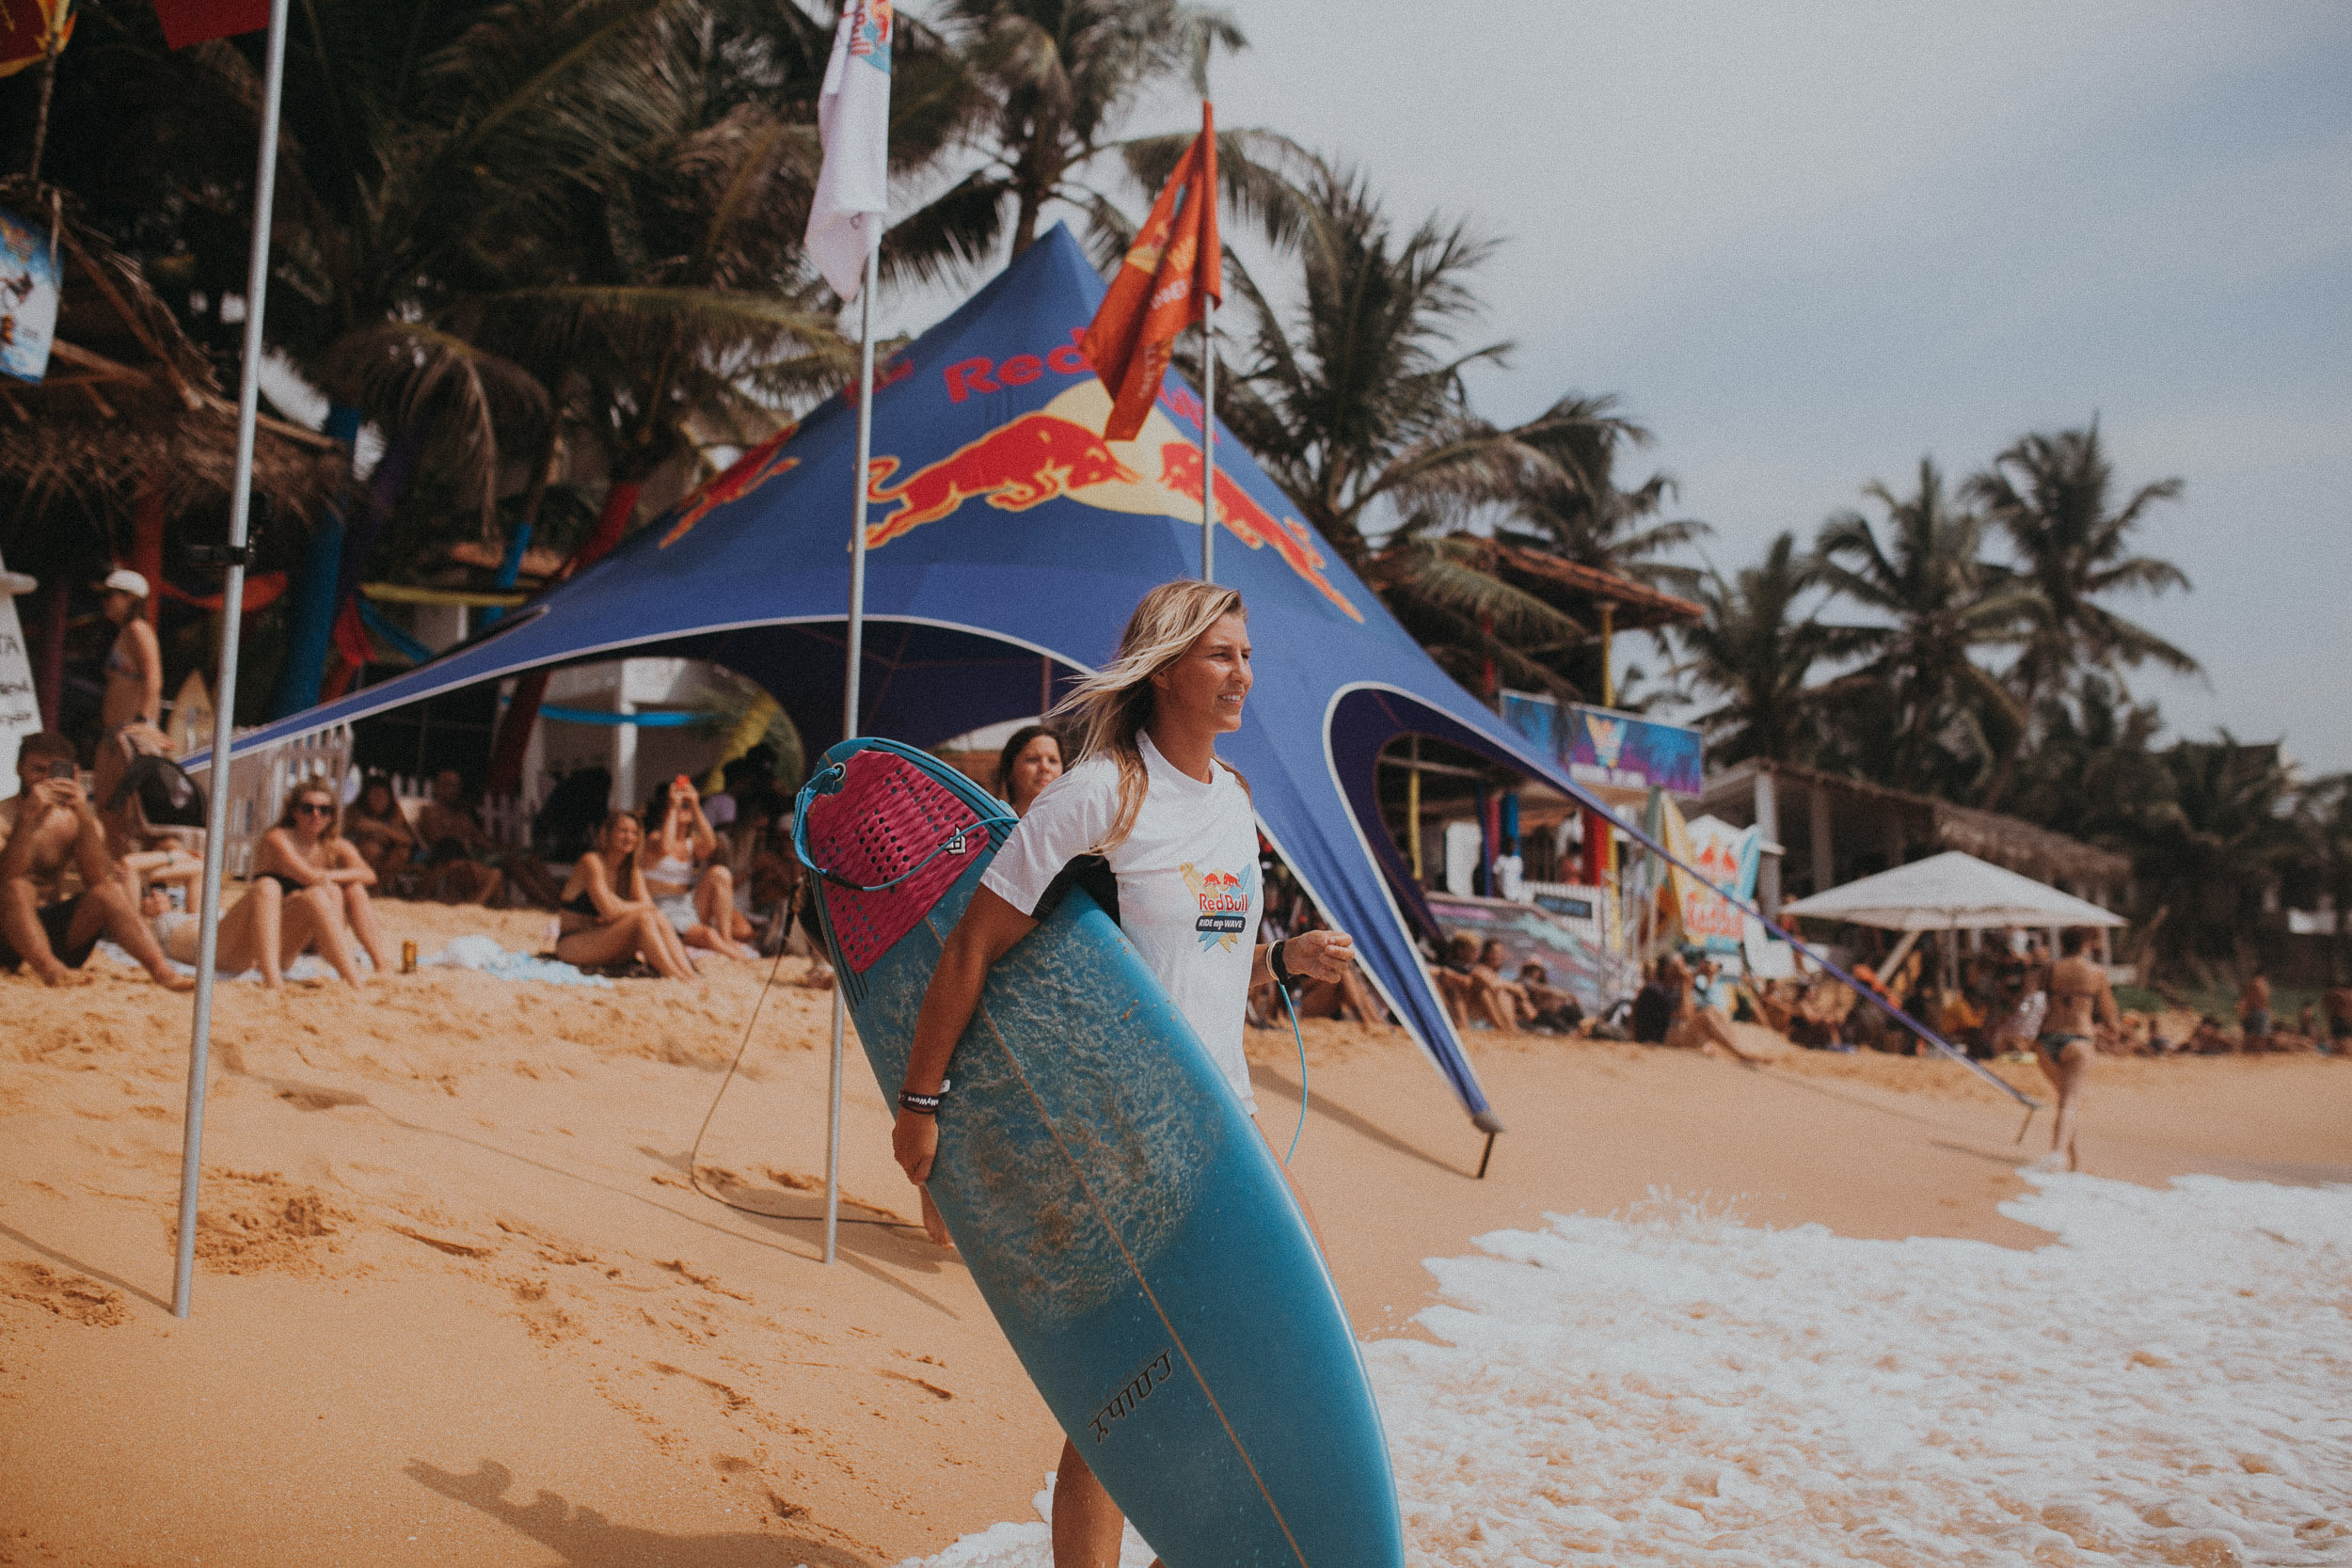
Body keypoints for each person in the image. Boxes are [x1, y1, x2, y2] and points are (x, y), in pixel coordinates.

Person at [887, 580, 1358, 1568]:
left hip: (1225, 1122)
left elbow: (1197, 964)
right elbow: (974, 945)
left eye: (1247, 654)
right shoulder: (1100, 794)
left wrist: (1284, 959)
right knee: (1129, 1394)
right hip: (1126, 1133)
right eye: (1222, 655)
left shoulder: (1233, 800)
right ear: (1166, 668)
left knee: (1295, 1348)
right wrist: (922, 1105)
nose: (1244, 674)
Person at [0, 732, 192, 990]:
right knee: (18, 887)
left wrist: (81, 815)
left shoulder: (74, 819)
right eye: (37, 770)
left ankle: (162, 971)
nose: (46, 779)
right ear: (19, 769)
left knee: (109, 891)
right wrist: (26, 819)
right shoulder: (4, 816)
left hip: (53, 932)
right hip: (7, 932)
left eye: (54, 771)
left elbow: (99, 878)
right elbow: (6, 880)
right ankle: (50, 970)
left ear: (72, 772)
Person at [254, 781, 385, 984]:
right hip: (281, 933)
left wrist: (329, 876)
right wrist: (327, 879)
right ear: (294, 812)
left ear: (331, 816)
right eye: (308, 809)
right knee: (330, 891)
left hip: (318, 935)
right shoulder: (278, 839)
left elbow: (369, 875)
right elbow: (308, 877)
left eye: (324, 810)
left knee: (355, 890)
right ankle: (343, 963)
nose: (316, 815)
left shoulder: (331, 845)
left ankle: (381, 963)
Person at [555, 811, 700, 980]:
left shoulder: (631, 869)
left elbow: (650, 908)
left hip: (608, 941)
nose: (629, 837)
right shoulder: (592, 862)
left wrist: (621, 905)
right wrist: (634, 907)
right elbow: (609, 912)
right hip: (574, 944)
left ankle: (689, 973)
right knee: (643, 919)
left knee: (658, 918)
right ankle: (674, 975)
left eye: (634, 833)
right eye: (623, 831)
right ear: (607, 833)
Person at [642, 776, 758, 959]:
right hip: (661, 907)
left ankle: (726, 939)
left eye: (685, 806)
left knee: (720, 873)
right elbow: (666, 848)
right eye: (681, 806)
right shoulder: (654, 838)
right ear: (664, 811)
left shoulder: (691, 842)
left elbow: (710, 845)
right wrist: (673, 807)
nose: (683, 808)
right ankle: (740, 958)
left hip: (687, 904)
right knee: (708, 935)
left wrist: (695, 805)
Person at [2034, 927, 2119, 1172]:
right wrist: (2111, 1031)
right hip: (2079, 1039)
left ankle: (2073, 1161)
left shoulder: (2050, 969)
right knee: (2069, 1103)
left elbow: (2033, 1001)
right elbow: (2110, 1016)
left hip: (2046, 1040)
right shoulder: (2096, 972)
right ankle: (2058, 1155)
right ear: (2086, 944)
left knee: (2065, 1101)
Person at [91, 568, 166, 837]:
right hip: (116, 732)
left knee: (121, 811)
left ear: (131, 598)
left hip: (129, 732)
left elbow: (154, 679)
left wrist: (143, 722)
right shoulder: (125, 633)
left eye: (110, 595)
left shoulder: (138, 630)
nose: (105, 602)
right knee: (109, 808)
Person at [414, 769, 506, 906]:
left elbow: (482, 840)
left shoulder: (461, 816)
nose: (453, 790)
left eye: (456, 785)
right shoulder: (430, 812)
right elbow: (439, 841)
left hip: (466, 856)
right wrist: (463, 840)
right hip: (447, 856)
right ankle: (474, 904)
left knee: (506, 866)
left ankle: (474, 903)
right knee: (496, 874)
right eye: (448, 784)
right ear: (437, 787)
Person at [344, 774, 421, 891]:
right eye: (375, 794)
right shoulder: (354, 810)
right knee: (372, 849)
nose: (380, 799)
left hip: (386, 856)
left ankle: (377, 888)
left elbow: (408, 840)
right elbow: (353, 829)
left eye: (384, 795)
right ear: (366, 796)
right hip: (359, 856)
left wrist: (379, 827)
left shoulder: (394, 811)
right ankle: (366, 886)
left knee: (402, 852)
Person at [993, 723, 1064, 816]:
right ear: (1009, 770)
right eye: (1033, 759)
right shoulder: (991, 822)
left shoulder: (1076, 821)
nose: (1045, 767)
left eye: (1052, 760)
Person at [1518, 961, 1584, 1034]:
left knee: (1570, 1009)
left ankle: (1584, 1028)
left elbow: (1549, 993)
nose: (1534, 972)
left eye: (1536, 969)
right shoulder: (1524, 982)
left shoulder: (1543, 984)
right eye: (1531, 969)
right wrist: (1567, 995)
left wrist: (1564, 998)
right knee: (1548, 1015)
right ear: (1526, 970)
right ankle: (1569, 1032)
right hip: (1534, 1015)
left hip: (1548, 1012)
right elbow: (1540, 989)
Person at [2236, 966, 2272, 1053]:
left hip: (2254, 1011)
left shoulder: (2252, 985)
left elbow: (2246, 1001)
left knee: (2254, 1034)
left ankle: (2253, 1051)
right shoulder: (2261, 984)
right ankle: (2258, 1051)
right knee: (2261, 1035)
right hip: (2260, 1012)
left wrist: (2243, 1013)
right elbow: (2264, 1000)